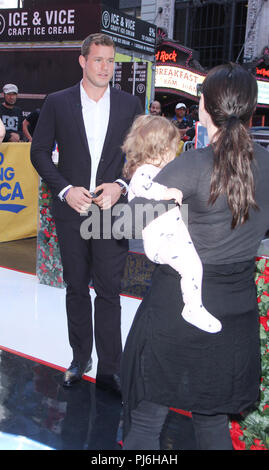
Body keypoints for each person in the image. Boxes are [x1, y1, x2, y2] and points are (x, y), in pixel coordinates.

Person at [120, 63, 269, 450]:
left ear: (203, 108)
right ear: (252, 110)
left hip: (175, 306)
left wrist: (130, 188)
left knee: (148, 417)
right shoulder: (266, 166)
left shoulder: (190, 165)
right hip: (233, 306)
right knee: (213, 419)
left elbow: (125, 225)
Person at [31, 33, 142, 392]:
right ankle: (81, 358)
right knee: (76, 287)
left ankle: (111, 368)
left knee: (110, 291)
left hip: (111, 211)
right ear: (82, 61)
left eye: (111, 61)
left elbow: (138, 157)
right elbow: (39, 151)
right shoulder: (58, 102)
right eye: (98, 60)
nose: (106, 68)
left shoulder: (129, 104)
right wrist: (64, 189)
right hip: (72, 211)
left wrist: (121, 186)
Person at [122, 114, 221, 334]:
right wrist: (166, 192)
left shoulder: (157, 171)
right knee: (193, 267)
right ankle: (193, 308)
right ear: (161, 149)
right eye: (173, 147)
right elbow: (141, 187)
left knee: (194, 264)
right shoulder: (145, 172)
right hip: (161, 240)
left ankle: (194, 305)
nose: (175, 152)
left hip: (171, 233)